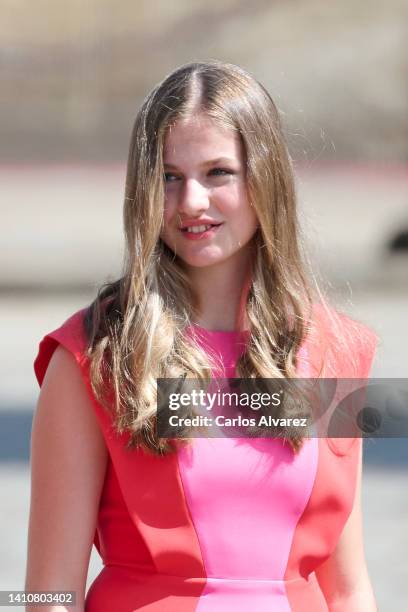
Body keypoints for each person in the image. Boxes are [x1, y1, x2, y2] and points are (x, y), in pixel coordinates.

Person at [25, 60, 378, 611]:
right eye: (168, 176)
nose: (191, 201)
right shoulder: (92, 357)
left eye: (219, 173)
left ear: (266, 179)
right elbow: (50, 594)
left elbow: (349, 588)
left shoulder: (338, 349)